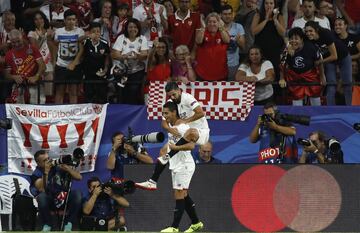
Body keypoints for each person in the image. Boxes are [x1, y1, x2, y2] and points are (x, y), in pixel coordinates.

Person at [136, 81, 209, 190]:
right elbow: (164, 123)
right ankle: (153, 181)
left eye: (174, 94)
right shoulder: (170, 102)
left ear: (179, 90)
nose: (172, 97)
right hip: (184, 132)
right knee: (163, 151)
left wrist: (185, 121)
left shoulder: (188, 98)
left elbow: (200, 113)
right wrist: (170, 129)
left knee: (190, 133)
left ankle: (169, 156)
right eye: (170, 95)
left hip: (200, 132)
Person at [159, 101, 204, 233]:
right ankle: (196, 223)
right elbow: (169, 144)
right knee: (183, 194)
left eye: (167, 113)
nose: (164, 116)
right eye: (163, 113)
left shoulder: (183, 126)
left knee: (179, 194)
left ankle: (174, 227)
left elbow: (191, 146)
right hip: (177, 164)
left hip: (184, 164)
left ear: (174, 112)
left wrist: (175, 148)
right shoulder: (173, 128)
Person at [30, 150, 82, 231]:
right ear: (38, 163)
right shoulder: (36, 173)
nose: (48, 161)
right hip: (49, 201)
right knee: (41, 197)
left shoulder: (57, 167)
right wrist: (46, 172)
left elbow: (79, 177)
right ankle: (47, 225)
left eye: (48, 158)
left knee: (77, 194)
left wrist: (68, 169)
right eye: (44, 160)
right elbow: (41, 189)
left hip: (63, 198)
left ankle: (68, 223)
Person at [305, 20, 352, 105]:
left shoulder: (325, 34)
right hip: (329, 60)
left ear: (316, 30)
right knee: (331, 84)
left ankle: (350, 108)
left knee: (347, 83)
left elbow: (334, 56)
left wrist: (320, 62)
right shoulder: (308, 39)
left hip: (343, 56)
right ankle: (330, 110)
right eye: (306, 31)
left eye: (310, 31)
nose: (308, 33)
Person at [279, 27, 325, 106]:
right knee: (297, 106)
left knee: (316, 104)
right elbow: (282, 65)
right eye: (291, 39)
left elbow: (319, 62)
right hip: (295, 78)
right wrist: (282, 78)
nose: (293, 41)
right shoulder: (287, 49)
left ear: (302, 39)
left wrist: (322, 76)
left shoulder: (311, 47)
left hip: (311, 76)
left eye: (296, 39)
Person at [50, 9, 85, 104]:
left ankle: (73, 116)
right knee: (59, 92)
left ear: (76, 21)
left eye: (73, 19)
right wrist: (54, 62)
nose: (71, 22)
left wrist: (74, 63)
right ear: (64, 20)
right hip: (61, 65)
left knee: (73, 92)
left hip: (75, 65)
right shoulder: (58, 31)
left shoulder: (80, 31)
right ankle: (58, 114)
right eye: (69, 19)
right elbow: (55, 47)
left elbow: (82, 49)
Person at [111, 18, 149, 104]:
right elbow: (114, 54)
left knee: (133, 93)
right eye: (130, 27)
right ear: (126, 28)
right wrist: (124, 56)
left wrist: (137, 56)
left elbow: (145, 55)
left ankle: (132, 113)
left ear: (138, 28)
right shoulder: (121, 38)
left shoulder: (142, 38)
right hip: (121, 71)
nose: (133, 29)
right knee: (121, 94)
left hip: (137, 71)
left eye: (135, 27)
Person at [4, 29, 46, 104]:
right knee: (18, 111)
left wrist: (36, 76)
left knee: (38, 109)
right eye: (13, 42)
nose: (16, 44)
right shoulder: (8, 55)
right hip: (18, 86)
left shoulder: (32, 49)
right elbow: (6, 75)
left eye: (18, 41)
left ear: (22, 38)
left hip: (34, 84)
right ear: (10, 41)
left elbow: (42, 65)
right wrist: (14, 77)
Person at [28, 11, 54, 102]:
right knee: (36, 94)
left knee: (48, 92)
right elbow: (35, 50)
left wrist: (54, 64)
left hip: (48, 64)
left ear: (44, 19)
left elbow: (53, 49)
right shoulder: (32, 33)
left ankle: (47, 113)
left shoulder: (49, 31)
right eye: (36, 19)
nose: (39, 21)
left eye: (41, 18)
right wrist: (42, 37)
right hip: (36, 65)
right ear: (33, 21)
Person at [195, 12, 230, 81]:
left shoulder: (223, 32)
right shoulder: (202, 32)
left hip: (221, 74)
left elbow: (227, 40)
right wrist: (203, 27)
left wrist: (221, 28)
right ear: (206, 23)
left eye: (214, 22)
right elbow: (198, 41)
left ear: (219, 23)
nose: (212, 24)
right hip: (203, 74)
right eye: (209, 22)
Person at [82, 22, 110, 104]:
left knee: (101, 96)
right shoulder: (86, 42)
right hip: (88, 73)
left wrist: (105, 69)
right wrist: (86, 36)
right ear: (90, 32)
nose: (96, 33)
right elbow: (78, 40)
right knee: (89, 96)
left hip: (100, 73)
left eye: (98, 31)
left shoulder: (104, 43)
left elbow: (107, 57)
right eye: (94, 31)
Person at [221, 4, 245, 81]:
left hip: (233, 64)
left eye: (229, 14)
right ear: (221, 15)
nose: (227, 16)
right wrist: (234, 40)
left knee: (231, 89)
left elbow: (243, 47)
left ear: (233, 14)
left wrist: (237, 41)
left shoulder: (238, 27)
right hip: (219, 63)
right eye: (225, 14)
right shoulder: (217, 27)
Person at [145, 37, 171, 102]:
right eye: (158, 47)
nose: (161, 49)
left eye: (163, 47)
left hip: (165, 91)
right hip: (152, 91)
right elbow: (150, 56)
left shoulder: (168, 61)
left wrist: (170, 78)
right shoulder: (152, 61)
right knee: (151, 111)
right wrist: (154, 47)